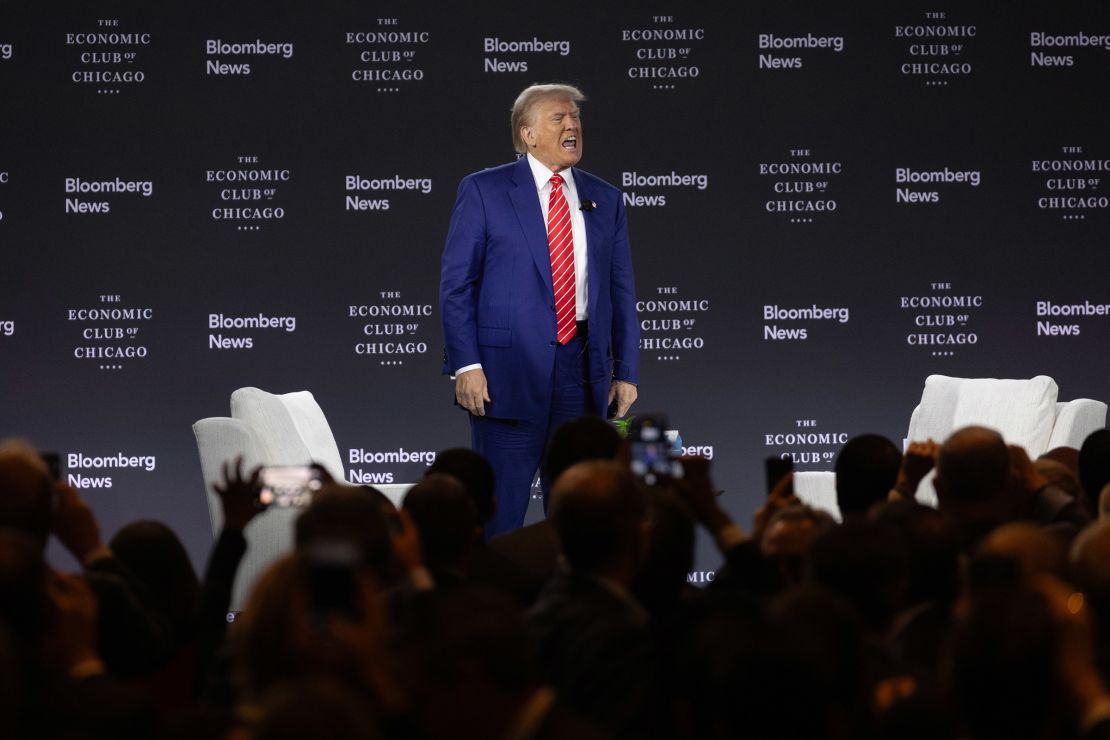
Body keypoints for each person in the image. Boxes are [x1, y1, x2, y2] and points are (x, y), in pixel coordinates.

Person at [440, 82, 640, 536]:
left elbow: (620, 289)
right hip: (504, 376)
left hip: (583, 374)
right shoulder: (484, 191)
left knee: (582, 518)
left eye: (576, 118)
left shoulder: (605, 198)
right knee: (500, 518)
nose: (572, 125)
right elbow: (457, 286)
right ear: (527, 134)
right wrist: (466, 364)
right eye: (558, 118)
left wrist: (626, 372)